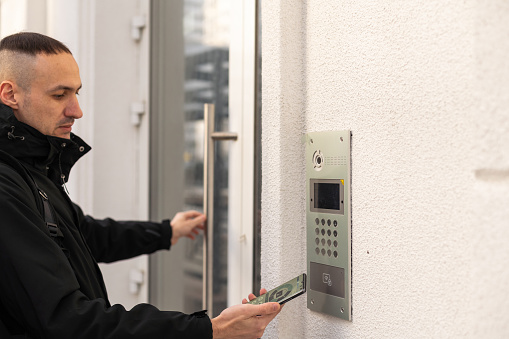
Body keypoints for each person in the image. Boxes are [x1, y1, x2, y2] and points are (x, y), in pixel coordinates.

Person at [0, 32, 280, 338]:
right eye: (59, 95)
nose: (76, 110)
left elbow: (85, 235)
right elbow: (67, 320)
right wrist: (209, 330)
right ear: (10, 94)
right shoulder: (6, 184)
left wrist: (167, 232)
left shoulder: (30, 167)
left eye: (77, 93)